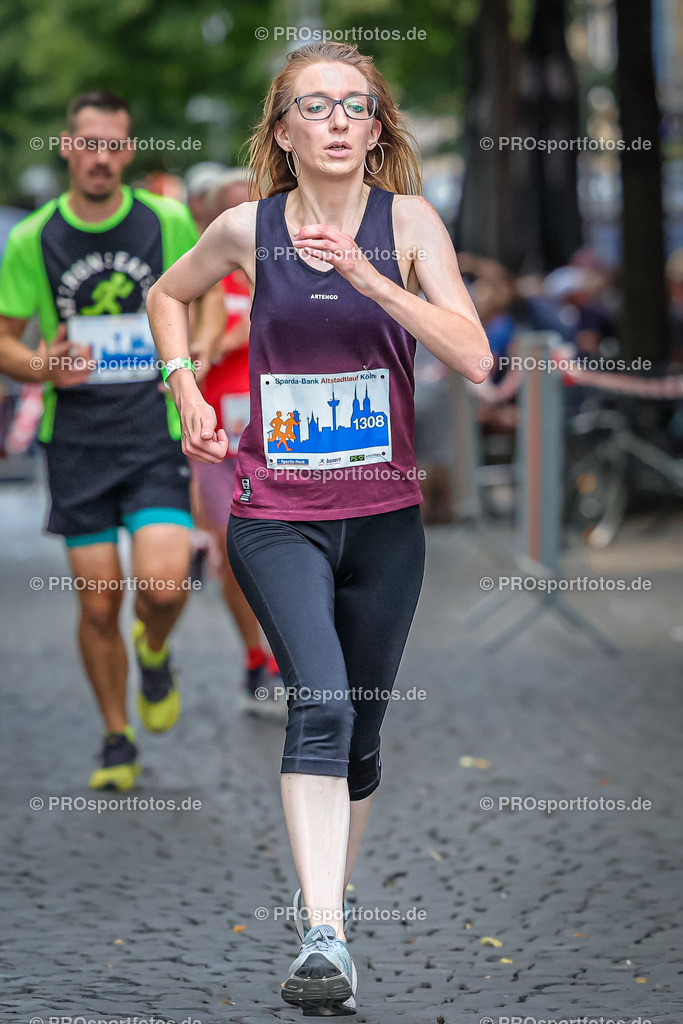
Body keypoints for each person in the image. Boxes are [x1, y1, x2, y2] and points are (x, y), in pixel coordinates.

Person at [146, 42, 491, 1016]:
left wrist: (373, 280)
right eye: (314, 105)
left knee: (365, 734)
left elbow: (471, 356)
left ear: (376, 129)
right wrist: (184, 392)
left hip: (383, 521)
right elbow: (163, 297)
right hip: (275, 515)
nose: (336, 119)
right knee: (323, 703)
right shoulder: (245, 228)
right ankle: (326, 937)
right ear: (283, 131)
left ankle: (321, 892)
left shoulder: (410, 222)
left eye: (354, 105)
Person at [0, 90, 199, 790]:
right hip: (77, 441)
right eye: (90, 143)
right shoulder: (34, 239)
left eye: (115, 145)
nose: (102, 158)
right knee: (96, 603)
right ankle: (117, 735)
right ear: (67, 146)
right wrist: (42, 365)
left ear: (128, 150)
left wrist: (185, 368)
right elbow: (6, 340)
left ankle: (154, 649)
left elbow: (199, 298)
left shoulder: (166, 220)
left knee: (165, 587)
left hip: (153, 433)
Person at [190, 171, 285, 716]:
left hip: (289, 433)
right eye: (234, 208)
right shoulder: (204, 277)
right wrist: (236, 335)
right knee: (234, 551)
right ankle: (255, 655)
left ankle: (291, 654)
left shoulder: (290, 268)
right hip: (222, 437)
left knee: (288, 546)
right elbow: (186, 354)